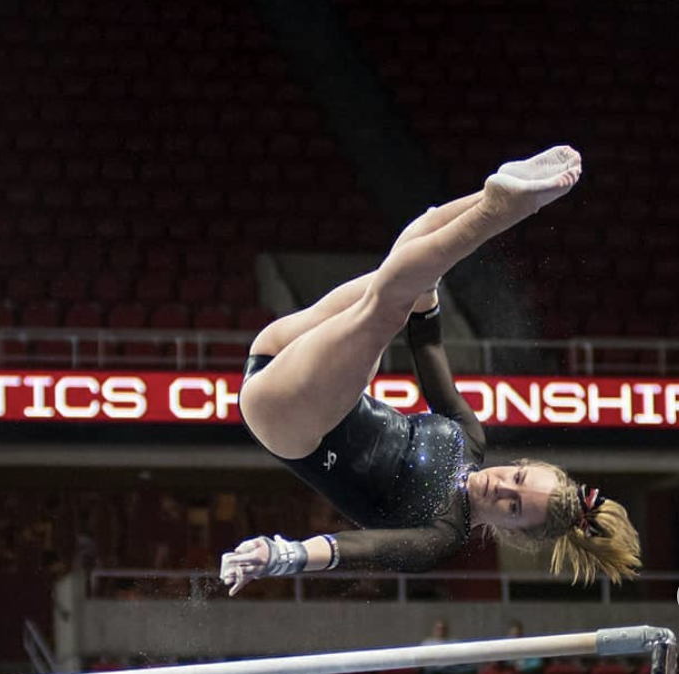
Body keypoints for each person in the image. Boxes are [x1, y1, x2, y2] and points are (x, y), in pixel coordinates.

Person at [218, 147, 640, 593]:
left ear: (512, 532)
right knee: (407, 269)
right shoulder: (469, 436)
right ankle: (495, 196)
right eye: (516, 479)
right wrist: (427, 297)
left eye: (513, 507)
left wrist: (285, 556)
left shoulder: (442, 535)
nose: (502, 489)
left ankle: (501, 210)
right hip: (281, 355)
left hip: (294, 422)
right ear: (520, 464)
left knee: (391, 300)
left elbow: (359, 548)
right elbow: (429, 342)